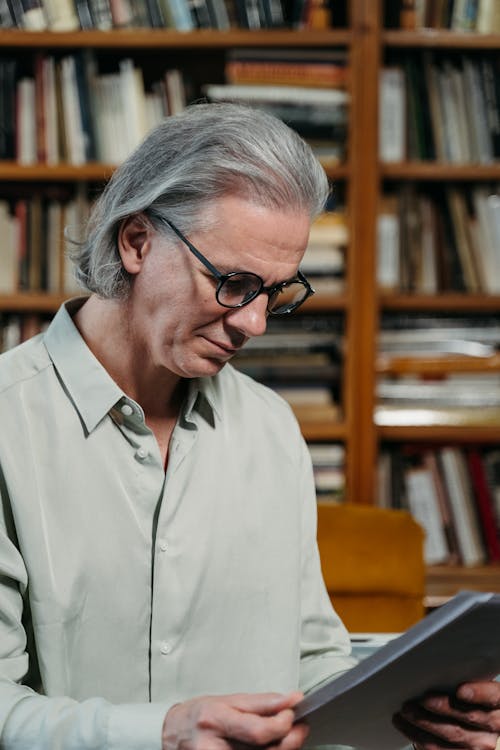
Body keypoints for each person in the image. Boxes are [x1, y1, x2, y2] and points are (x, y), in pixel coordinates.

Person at [0, 102, 498, 750]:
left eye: (277, 291)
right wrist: (164, 733)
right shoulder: (10, 425)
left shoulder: (271, 429)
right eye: (233, 282)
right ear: (136, 242)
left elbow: (311, 665)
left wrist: (416, 719)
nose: (255, 323)